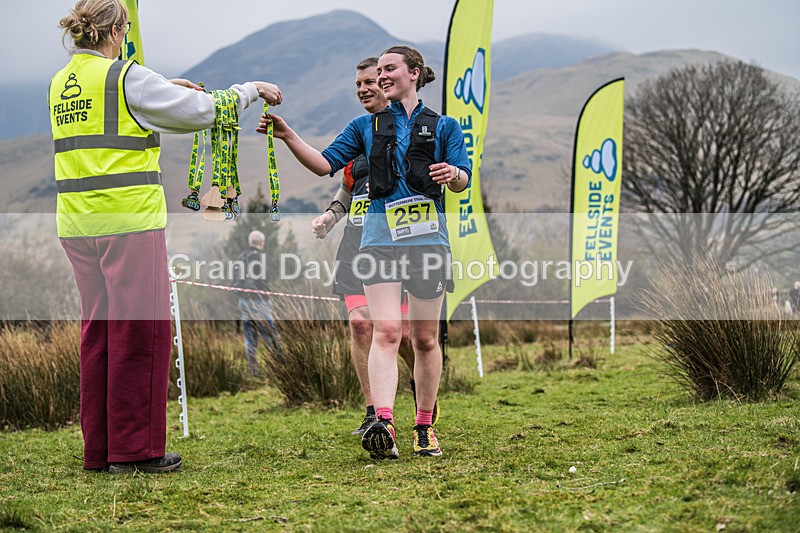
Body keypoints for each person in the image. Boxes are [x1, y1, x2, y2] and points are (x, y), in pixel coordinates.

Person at [52, 0, 281, 474]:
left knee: (99, 333)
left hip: (76, 223)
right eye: (126, 29)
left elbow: (128, 108)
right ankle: (136, 451)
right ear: (116, 31)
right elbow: (201, 111)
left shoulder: (61, 82)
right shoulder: (124, 75)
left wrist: (162, 88)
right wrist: (251, 89)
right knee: (141, 332)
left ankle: (100, 450)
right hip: (128, 222)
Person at [260, 45, 470, 459]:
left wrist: (454, 174)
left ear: (413, 73)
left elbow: (463, 178)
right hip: (378, 242)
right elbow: (324, 165)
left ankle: (424, 427)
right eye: (379, 71)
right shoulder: (362, 126)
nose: (382, 76)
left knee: (425, 339)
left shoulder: (445, 126)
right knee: (386, 331)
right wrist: (288, 136)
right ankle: (384, 423)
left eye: (390, 69)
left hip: (428, 243)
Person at [310, 57, 424, 437]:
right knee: (361, 326)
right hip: (357, 243)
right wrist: (331, 215)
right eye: (357, 84)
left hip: (399, 243)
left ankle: (420, 383)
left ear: (386, 83)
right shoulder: (355, 134)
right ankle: (375, 410)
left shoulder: (407, 130)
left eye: (370, 82)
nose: (363, 89)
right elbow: (347, 186)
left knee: (403, 334)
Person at [233, 230, 282, 375]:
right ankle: (279, 366)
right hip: (259, 301)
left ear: (250, 242)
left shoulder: (240, 257)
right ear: (261, 243)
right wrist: (265, 291)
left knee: (250, 337)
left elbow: (236, 281)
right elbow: (261, 279)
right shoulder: (258, 257)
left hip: (243, 301)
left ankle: (253, 370)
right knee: (270, 335)